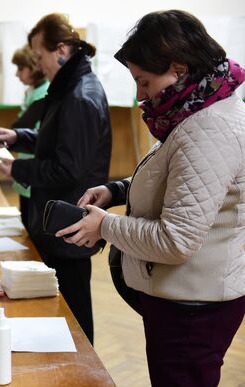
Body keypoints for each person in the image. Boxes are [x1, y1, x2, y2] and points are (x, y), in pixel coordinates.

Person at [57, 10, 245, 387]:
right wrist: (117, 190)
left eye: (144, 81)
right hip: (187, 298)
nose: (140, 94)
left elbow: (176, 240)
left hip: (193, 305)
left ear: (177, 69)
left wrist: (105, 225)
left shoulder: (207, 130)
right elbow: (176, 180)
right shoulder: (197, 111)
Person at [0, 13, 112, 345]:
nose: (38, 65)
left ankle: (85, 377)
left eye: (39, 56)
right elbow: (55, 141)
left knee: (73, 315)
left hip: (69, 224)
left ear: (60, 50)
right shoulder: (67, 86)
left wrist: (17, 170)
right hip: (58, 219)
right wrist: (20, 136)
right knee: (60, 311)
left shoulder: (80, 95)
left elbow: (66, 168)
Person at [10, 44, 50, 228]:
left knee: (33, 222)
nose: (17, 74)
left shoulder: (44, 94)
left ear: (33, 67)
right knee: (26, 218)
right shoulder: (32, 91)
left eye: (20, 68)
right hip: (26, 165)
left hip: (35, 169)